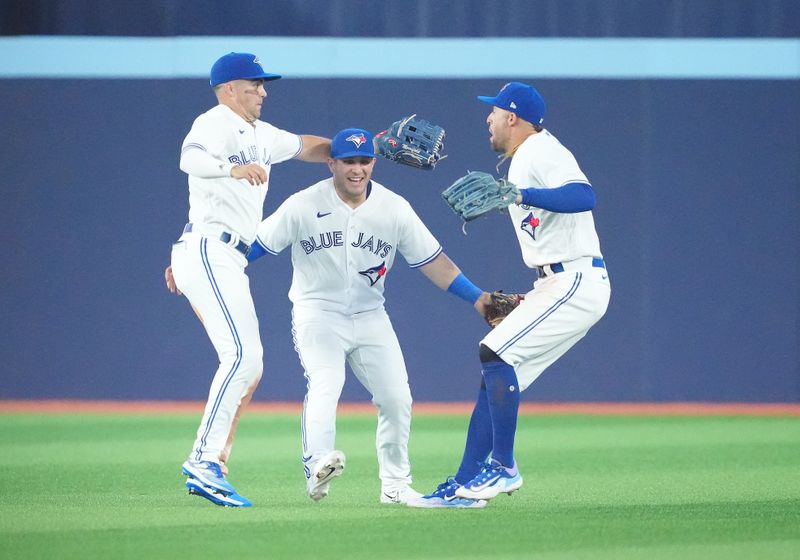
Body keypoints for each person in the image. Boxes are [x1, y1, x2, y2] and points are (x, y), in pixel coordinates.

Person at [248, 128, 489, 506]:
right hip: (318, 313)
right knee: (327, 380)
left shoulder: (394, 208)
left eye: (364, 161)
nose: (357, 169)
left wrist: (478, 299)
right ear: (331, 163)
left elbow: (434, 262)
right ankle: (316, 466)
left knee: (397, 398)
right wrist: (203, 264)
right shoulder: (302, 204)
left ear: (374, 163)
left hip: (370, 315)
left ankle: (395, 487)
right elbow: (254, 245)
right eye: (348, 161)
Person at [411, 82, 611, 508]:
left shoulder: (541, 150)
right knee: (494, 370)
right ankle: (465, 485)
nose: (488, 118)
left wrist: (522, 195)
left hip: (576, 278)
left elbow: (584, 195)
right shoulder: (522, 159)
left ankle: (503, 467)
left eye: (495, 111)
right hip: (556, 280)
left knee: (495, 353)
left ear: (513, 117)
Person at [164, 52, 331, 507]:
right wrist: (231, 168)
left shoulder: (261, 134)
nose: (264, 91)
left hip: (223, 254)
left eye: (262, 84)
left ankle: (211, 462)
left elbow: (306, 146)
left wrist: (358, 146)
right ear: (229, 88)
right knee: (242, 355)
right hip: (209, 248)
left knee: (249, 360)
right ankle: (204, 461)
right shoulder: (214, 121)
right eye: (255, 83)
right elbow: (189, 160)